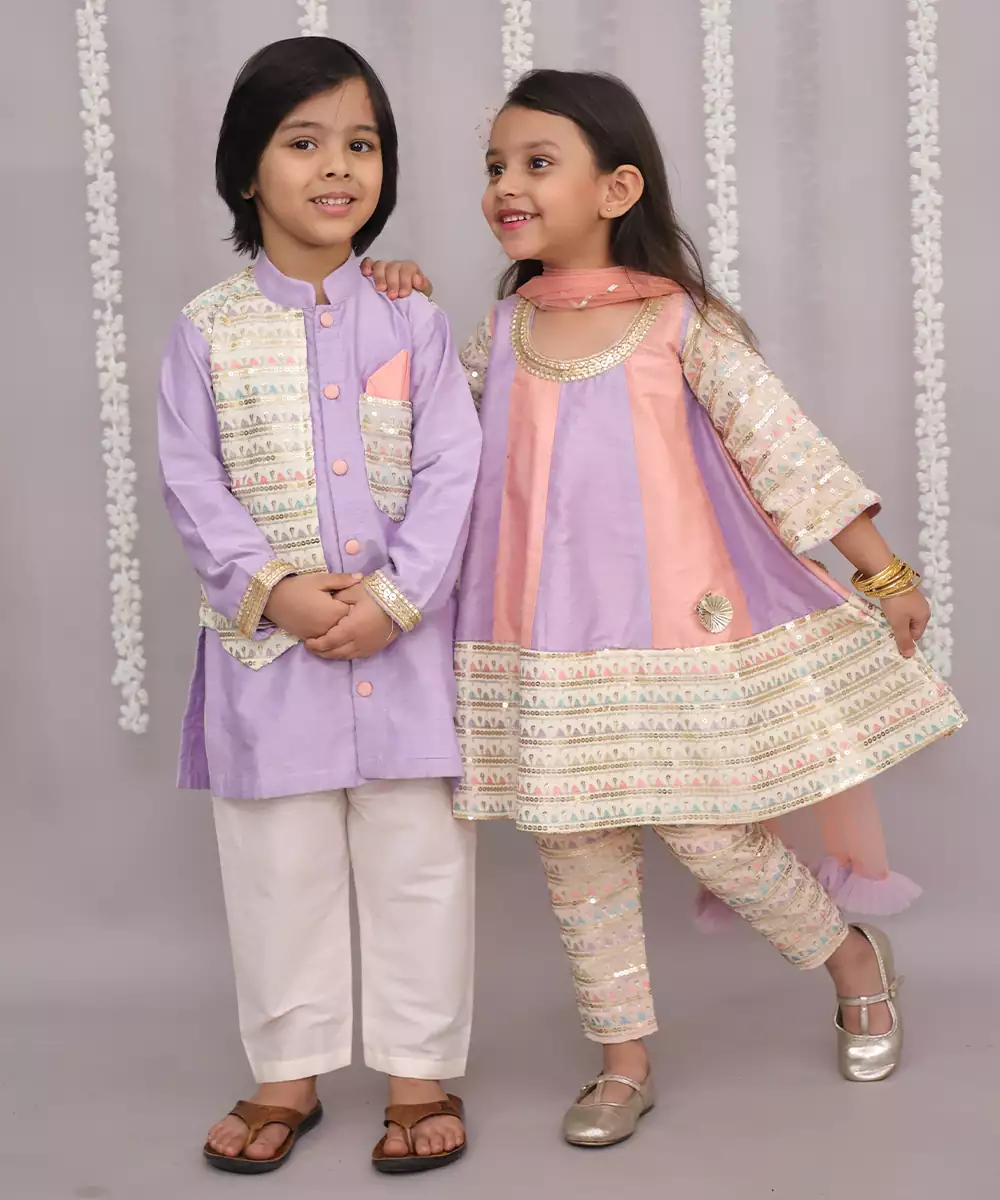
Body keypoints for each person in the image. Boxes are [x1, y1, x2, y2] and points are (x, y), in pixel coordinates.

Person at [362, 68, 965, 1148]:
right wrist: (389, 311)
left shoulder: (676, 325)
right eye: (495, 166)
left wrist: (881, 572)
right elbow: (418, 454)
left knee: (715, 835)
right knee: (576, 853)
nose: (506, 185)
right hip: (540, 645)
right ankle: (622, 1060)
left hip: (676, 637)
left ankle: (851, 958)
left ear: (617, 188)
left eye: (537, 163)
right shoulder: (497, 334)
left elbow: (783, 448)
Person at [157, 37, 481, 1175]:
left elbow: (452, 469)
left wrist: (395, 599)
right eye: (303, 142)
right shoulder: (206, 329)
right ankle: (287, 1076)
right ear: (248, 171)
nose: (337, 166)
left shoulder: (412, 320)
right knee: (276, 867)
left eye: (361, 143)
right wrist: (277, 592)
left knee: (419, 862)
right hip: (269, 659)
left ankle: (417, 1073)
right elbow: (191, 482)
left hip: (405, 651)